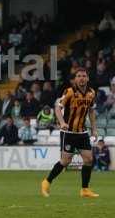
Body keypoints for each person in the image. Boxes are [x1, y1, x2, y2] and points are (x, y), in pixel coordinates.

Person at [41, 68, 99, 198]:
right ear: (75, 79)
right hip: (68, 132)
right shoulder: (69, 92)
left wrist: (94, 128)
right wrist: (62, 122)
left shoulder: (91, 93)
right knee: (65, 161)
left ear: (87, 78)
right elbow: (57, 108)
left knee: (89, 159)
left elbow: (91, 111)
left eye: (84, 76)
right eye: (79, 76)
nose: (82, 78)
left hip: (82, 132)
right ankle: (46, 182)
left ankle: (84, 189)